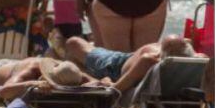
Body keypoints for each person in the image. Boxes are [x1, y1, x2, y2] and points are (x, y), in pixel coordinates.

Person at [64, 34, 198, 95]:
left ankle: (86, 78)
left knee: (73, 42)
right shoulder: (196, 61)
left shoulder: (148, 60)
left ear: (160, 55)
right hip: (126, 58)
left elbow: (115, 90)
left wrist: (104, 84)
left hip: (114, 66)